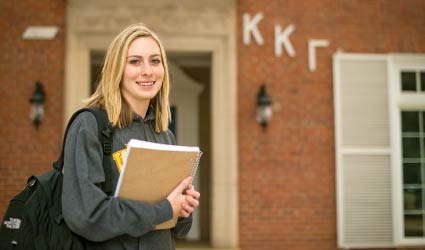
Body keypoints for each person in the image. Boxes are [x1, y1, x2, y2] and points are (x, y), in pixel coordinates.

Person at [61, 23, 200, 250]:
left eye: (155, 60)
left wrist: (183, 207)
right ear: (117, 69)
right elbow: (85, 215)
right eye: (135, 61)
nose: (147, 70)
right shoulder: (90, 125)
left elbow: (177, 228)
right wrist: (164, 209)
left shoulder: (165, 135)